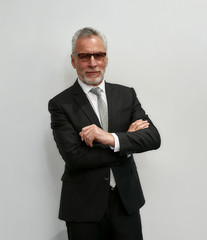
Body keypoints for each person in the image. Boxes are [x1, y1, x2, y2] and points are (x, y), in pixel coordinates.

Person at [48, 27, 161, 240]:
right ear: (73, 61)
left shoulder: (126, 95)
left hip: (126, 203)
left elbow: (152, 138)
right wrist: (125, 146)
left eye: (98, 55)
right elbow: (76, 158)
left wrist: (110, 138)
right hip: (83, 207)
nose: (92, 63)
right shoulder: (60, 104)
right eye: (84, 56)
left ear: (106, 59)